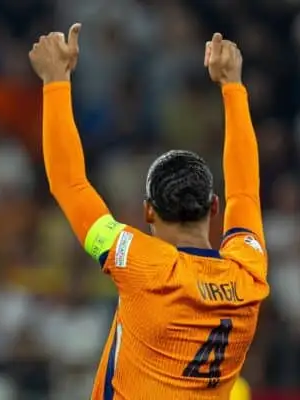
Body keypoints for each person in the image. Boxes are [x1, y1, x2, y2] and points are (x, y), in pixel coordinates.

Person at [29, 27, 269, 400]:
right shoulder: (247, 272)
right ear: (214, 207)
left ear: (148, 212)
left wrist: (55, 81)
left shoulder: (143, 266)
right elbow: (246, 192)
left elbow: (69, 184)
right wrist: (232, 86)